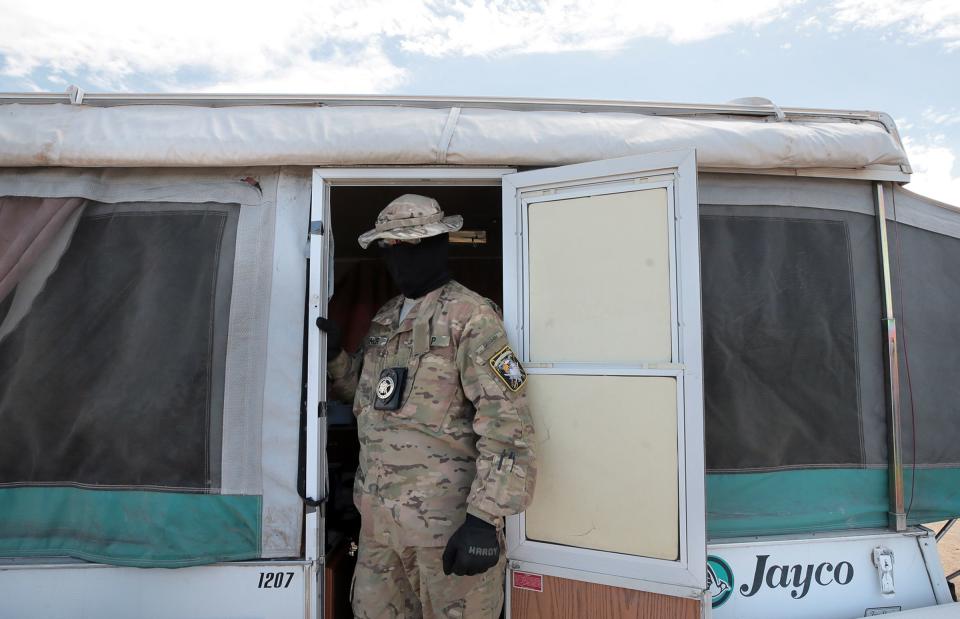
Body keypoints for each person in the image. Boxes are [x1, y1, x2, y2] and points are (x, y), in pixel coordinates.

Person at [317, 194, 537, 619]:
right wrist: (333, 358)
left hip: (446, 530)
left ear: (438, 244)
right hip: (380, 531)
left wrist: (483, 519)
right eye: (389, 249)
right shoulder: (386, 318)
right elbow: (367, 397)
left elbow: (509, 426)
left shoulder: (471, 318)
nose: (398, 260)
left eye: (409, 246)